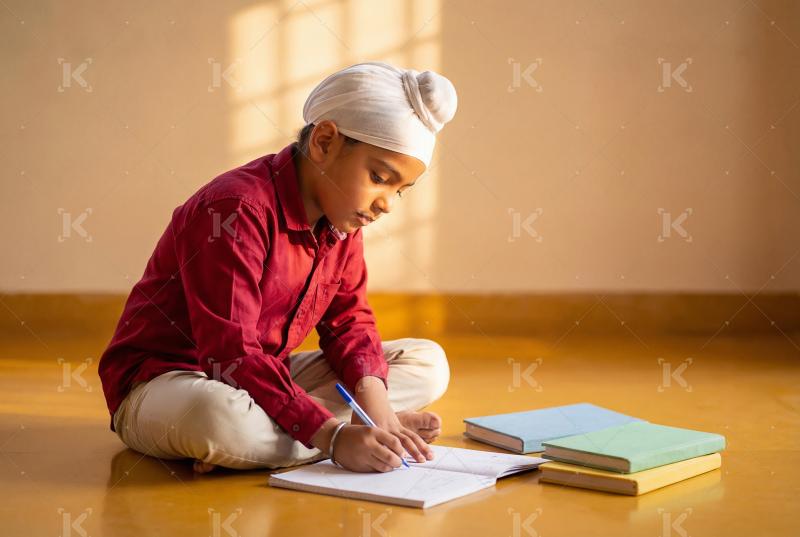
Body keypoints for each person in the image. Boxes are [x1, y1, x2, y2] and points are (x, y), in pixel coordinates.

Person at [98, 61, 458, 473]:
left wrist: (377, 406)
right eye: (379, 177)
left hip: (259, 378)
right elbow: (230, 355)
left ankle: (358, 429)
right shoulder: (234, 209)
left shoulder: (342, 219)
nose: (387, 204)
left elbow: (350, 324)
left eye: (401, 190)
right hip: (170, 384)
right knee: (219, 417)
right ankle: (335, 434)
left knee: (427, 362)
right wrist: (332, 439)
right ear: (324, 141)